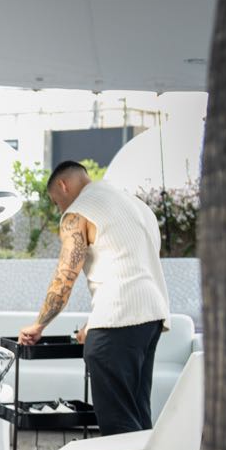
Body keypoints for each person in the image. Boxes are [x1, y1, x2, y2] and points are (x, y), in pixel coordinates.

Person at [18, 161, 170, 435]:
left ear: (63, 185)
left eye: (56, 201)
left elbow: (65, 277)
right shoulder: (135, 205)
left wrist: (39, 325)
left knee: (118, 422)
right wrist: (95, 321)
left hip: (119, 320)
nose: (59, 209)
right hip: (152, 317)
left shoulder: (79, 211)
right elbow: (129, 265)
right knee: (137, 415)